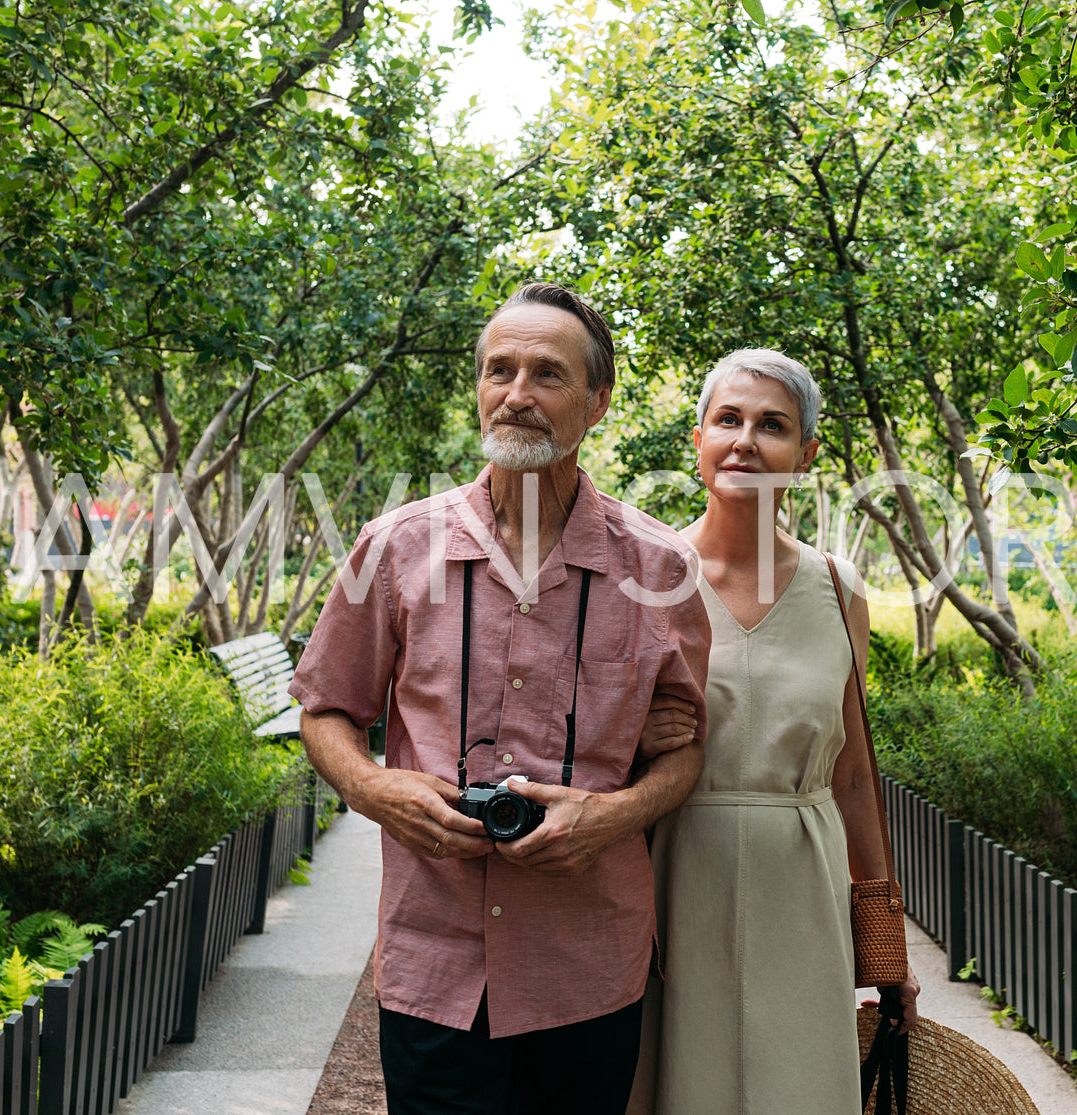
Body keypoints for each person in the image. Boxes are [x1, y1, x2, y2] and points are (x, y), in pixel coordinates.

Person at [290, 283, 712, 1115]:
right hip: (434, 956)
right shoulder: (394, 548)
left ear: (596, 401)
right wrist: (371, 787)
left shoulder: (659, 567)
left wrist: (615, 815)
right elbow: (325, 707)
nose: (516, 394)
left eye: (546, 374)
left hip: (587, 960)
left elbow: (685, 748)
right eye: (499, 370)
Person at [626, 348, 921, 1115]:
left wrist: (887, 947)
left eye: (773, 426)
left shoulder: (837, 586)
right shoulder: (645, 579)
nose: (746, 441)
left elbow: (853, 776)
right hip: (676, 880)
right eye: (727, 419)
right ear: (696, 440)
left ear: (807, 454)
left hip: (804, 887)